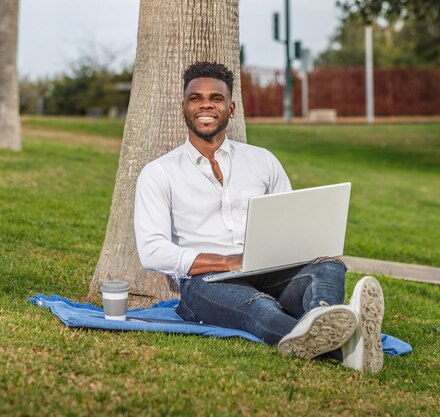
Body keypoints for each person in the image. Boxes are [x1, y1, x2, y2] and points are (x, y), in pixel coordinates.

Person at [134, 61, 384, 372]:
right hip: (205, 283)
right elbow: (152, 250)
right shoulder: (159, 173)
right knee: (259, 307)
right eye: (195, 98)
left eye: (216, 98)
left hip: (271, 271)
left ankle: (323, 317)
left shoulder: (262, 161)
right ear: (183, 107)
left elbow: (289, 222)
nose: (205, 105)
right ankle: (350, 345)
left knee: (329, 265)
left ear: (231, 107)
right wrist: (227, 261)